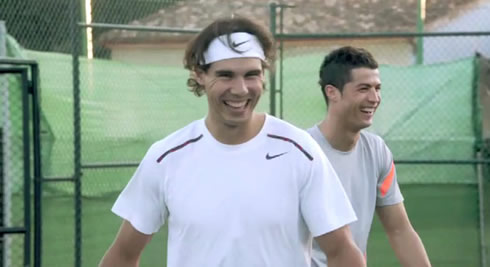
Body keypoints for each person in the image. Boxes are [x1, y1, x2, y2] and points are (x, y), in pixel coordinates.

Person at [99, 17, 366, 267]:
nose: (240, 89)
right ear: (200, 75)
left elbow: (342, 250)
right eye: (225, 75)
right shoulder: (166, 157)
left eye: (251, 74)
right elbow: (123, 255)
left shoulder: (300, 150)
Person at [308, 46, 432, 267]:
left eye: (377, 88)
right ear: (332, 92)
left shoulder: (377, 150)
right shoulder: (303, 152)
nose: (374, 98)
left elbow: (399, 230)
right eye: (364, 88)